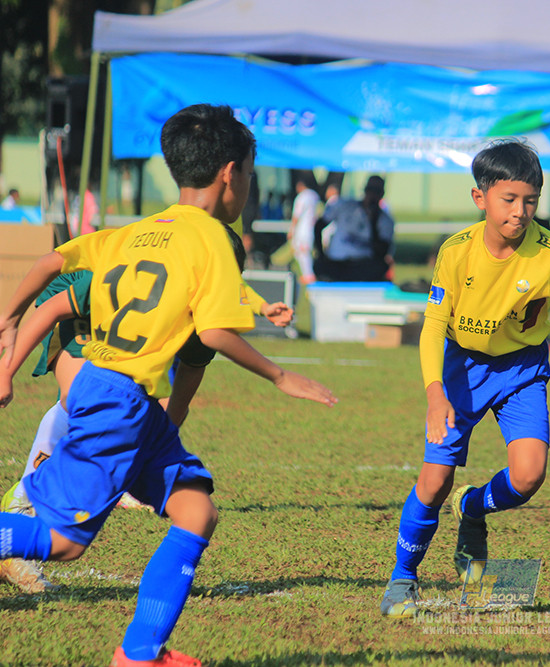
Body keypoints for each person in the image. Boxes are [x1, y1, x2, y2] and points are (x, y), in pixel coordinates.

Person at [0, 103, 336, 667]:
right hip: (115, 400)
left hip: (121, 398)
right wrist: (282, 376)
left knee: (196, 512)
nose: (248, 188)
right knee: (64, 543)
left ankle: (141, 653)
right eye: (250, 175)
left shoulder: (136, 232)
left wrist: (8, 318)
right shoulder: (214, 238)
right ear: (230, 172)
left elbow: (53, 262)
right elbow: (213, 332)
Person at [378, 139, 550, 618]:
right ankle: (404, 577)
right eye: (509, 200)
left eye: (531, 201)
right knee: (433, 481)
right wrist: (434, 393)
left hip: (522, 370)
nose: (521, 212)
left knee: (529, 475)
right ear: (480, 198)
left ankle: (475, 507)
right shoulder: (456, 252)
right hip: (461, 369)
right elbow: (432, 327)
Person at [316, 175, 395, 282]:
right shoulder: (345, 206)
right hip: (337, 262)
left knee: (379, 267)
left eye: (376, 191)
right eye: (370, 190)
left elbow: (382, 252)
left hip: (362, 265)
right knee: (319, 265)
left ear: (381, 194)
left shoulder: (385, 221)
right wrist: (321, 254)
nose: (372, 195)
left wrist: (373, 221)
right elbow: (318, 225)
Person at [287, 177, 321, 284]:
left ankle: (308, 276)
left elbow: (296, 215)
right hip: (311, 229)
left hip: (302, 230)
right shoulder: (315, 196)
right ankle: (308, 275)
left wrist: (292, 229)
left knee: (301, 253)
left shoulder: (302, 197)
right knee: (306, 253)